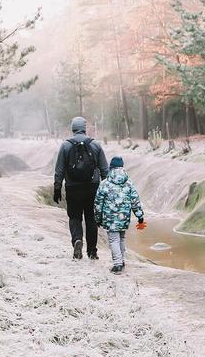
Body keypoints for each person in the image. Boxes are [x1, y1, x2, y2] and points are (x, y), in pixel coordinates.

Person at [53, 116, 109, 259]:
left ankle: (77, 240)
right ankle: (92, 252)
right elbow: (104, 170)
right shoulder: (95, 145)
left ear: (72, 128)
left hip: (73, 187)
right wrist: (107, 189)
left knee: (75, 217)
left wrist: (57, 188)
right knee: (91, 219)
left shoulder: (65, 146)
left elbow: (59, 169)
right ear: (85, 128)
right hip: (92, 187)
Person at [93, 156, 145, 273]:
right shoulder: (129, 184)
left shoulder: (104, 184)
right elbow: (135, 201)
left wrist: (98, 218)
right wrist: (140, 216)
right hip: (124, 217)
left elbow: (98, 202)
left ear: (110, 168)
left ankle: (117, 263)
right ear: (122, 167)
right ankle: (121, 260)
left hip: (110, 218)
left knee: (114, 240)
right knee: (121, 238)